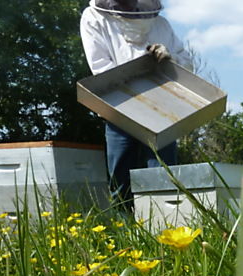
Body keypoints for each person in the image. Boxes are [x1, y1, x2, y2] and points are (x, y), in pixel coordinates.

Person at [80, 0, 194, 213]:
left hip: (161, 109)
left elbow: (187, 62)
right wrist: (141, 70)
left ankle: (166, 226)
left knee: (164, 176)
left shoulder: (160, 24)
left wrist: (170, 58)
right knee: (120, 179)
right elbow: (100, 67)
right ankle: (124, 229)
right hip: (118, 106)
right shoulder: (94, 18)